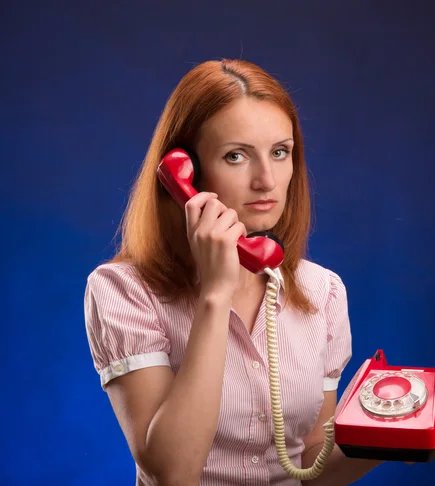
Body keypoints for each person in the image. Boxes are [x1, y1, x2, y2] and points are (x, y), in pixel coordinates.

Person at [83, 59, 383, 485]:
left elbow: (311, 463)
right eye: (237, 156)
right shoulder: (122, 291)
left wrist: (396, 441)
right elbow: (173, 472)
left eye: (280, 152)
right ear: (183, 171)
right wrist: (215, 294)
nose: (267, 180)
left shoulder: (324, 291)